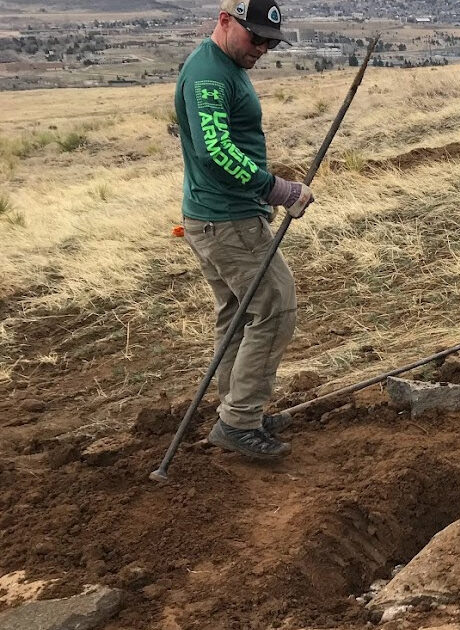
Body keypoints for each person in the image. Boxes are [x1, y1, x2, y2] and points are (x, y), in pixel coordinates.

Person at [176, 0, 312, 460]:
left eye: (270, 41)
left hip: (217, 216)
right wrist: (278, 190)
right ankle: (239, 421)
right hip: (228, 219)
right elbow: (216, 150)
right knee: (276, 305)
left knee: (238, 313)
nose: (262, 48)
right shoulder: (210, 74)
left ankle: (238, 410)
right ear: (224, 21)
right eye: (255, 37)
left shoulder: (224, 65)